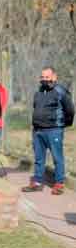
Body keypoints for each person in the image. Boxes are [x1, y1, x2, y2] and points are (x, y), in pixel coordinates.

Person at [22, 66, 74, 195]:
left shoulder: (60, 91)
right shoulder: (38, 92)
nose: (44, 80)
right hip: (38, 130)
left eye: (47, 77)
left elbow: (70, 110)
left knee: (57, 157)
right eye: (42, 77)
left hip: (54, 130)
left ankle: (59, 183)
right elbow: (36, 108)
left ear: (54, 77)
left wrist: (63, 124)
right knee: (39, 158)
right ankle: (37, 182)